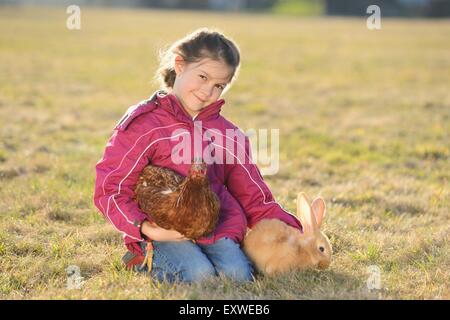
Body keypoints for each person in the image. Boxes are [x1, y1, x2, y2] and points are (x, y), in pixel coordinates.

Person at [93, 28, 302, 283]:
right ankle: (141, 259)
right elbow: (111, 187)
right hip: (162, 229)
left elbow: (253, 195)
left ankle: (221, 258)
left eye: (218, 85)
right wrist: (145, 228)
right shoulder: (145, 124)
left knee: (238, 276)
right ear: (179, 65)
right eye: (202, 76)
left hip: (215, 226)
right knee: (199, 275)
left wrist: (296, 232)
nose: (207, 91)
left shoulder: (227, 134)